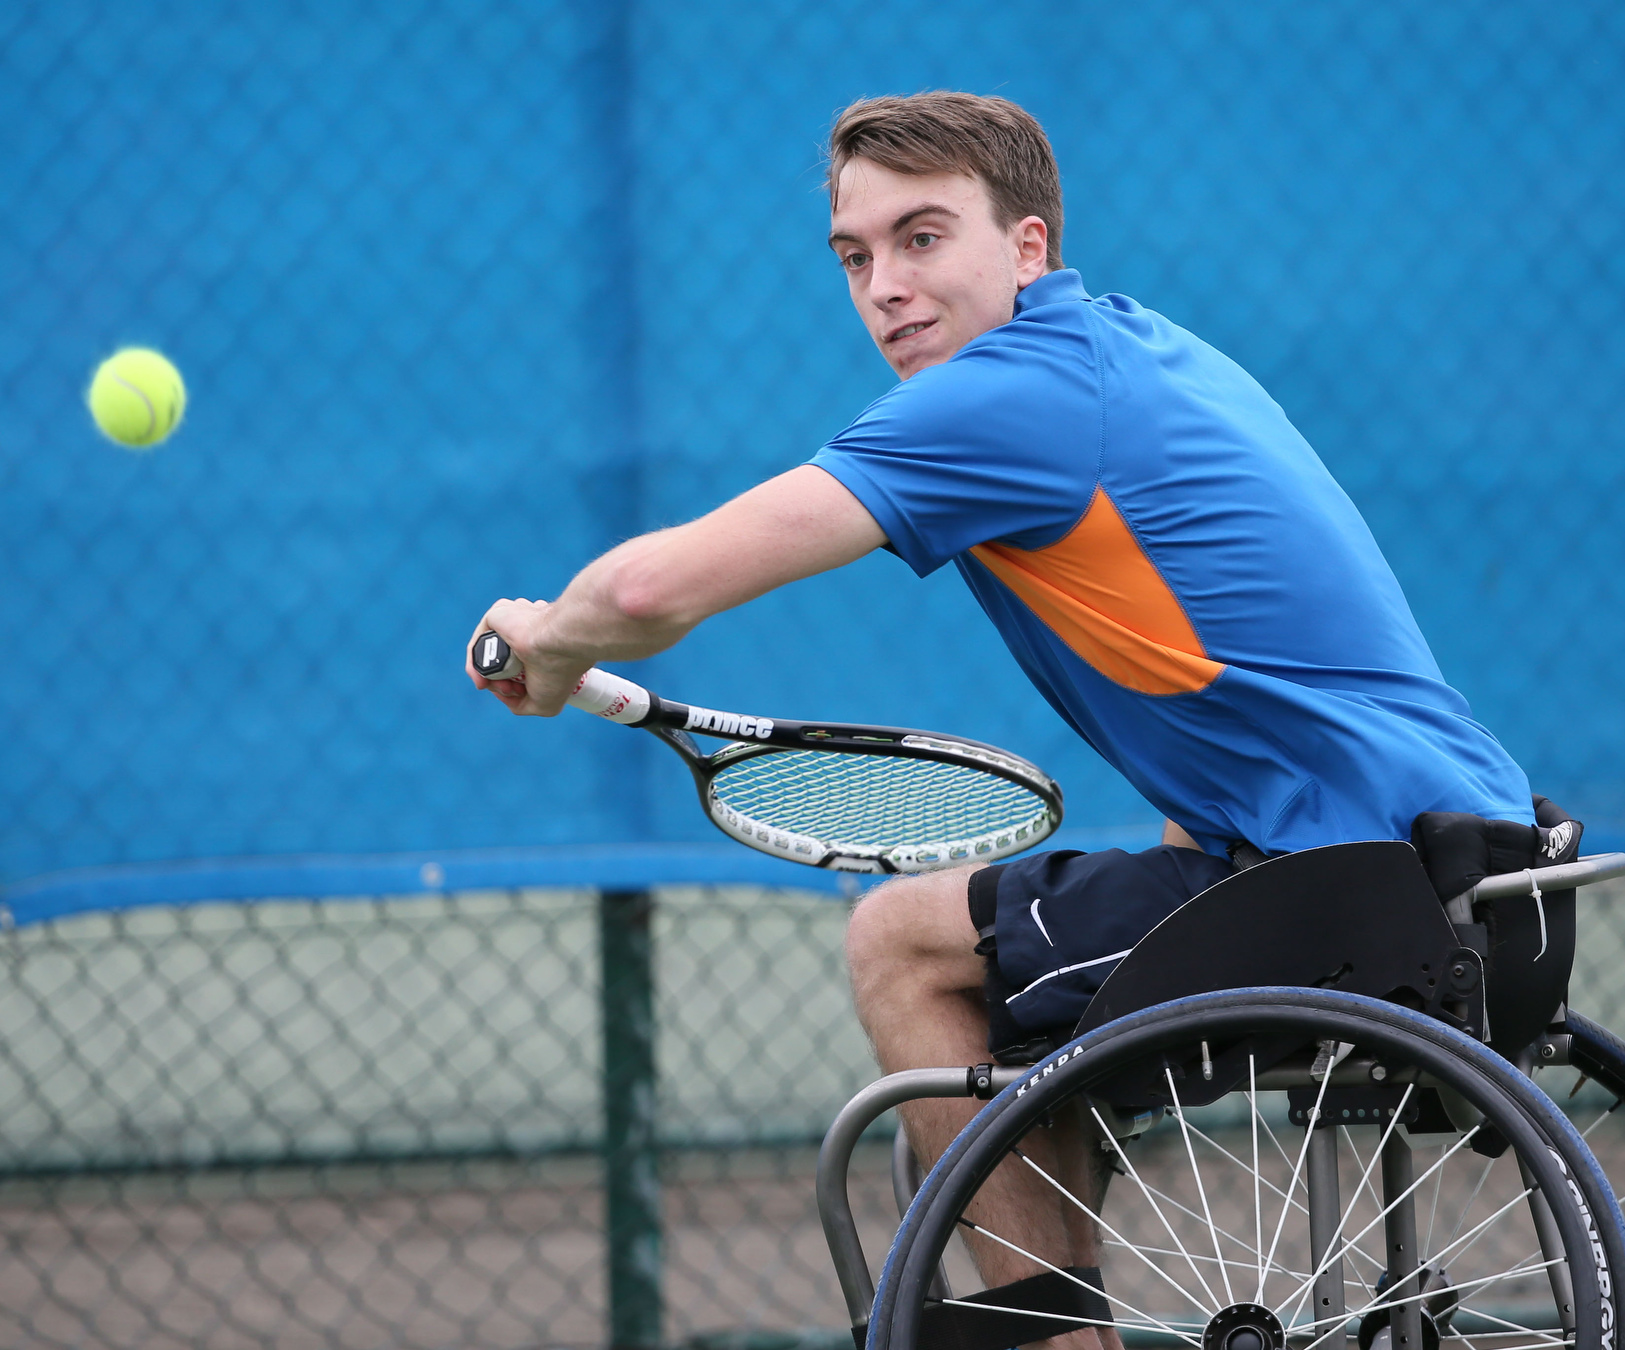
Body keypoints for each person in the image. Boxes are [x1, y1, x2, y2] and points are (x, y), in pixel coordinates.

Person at [467, 92, 1537, 1348]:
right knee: (1017, 984)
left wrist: (548, 639)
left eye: (923, 239)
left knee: (905, 944)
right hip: (1484, 869)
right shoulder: (1137, 348)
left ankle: (1047, 1339)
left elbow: (650, 590)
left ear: (1028, 248)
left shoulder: (1005, 399)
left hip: (1346, 894)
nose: (885, 288)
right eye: (856, 256)